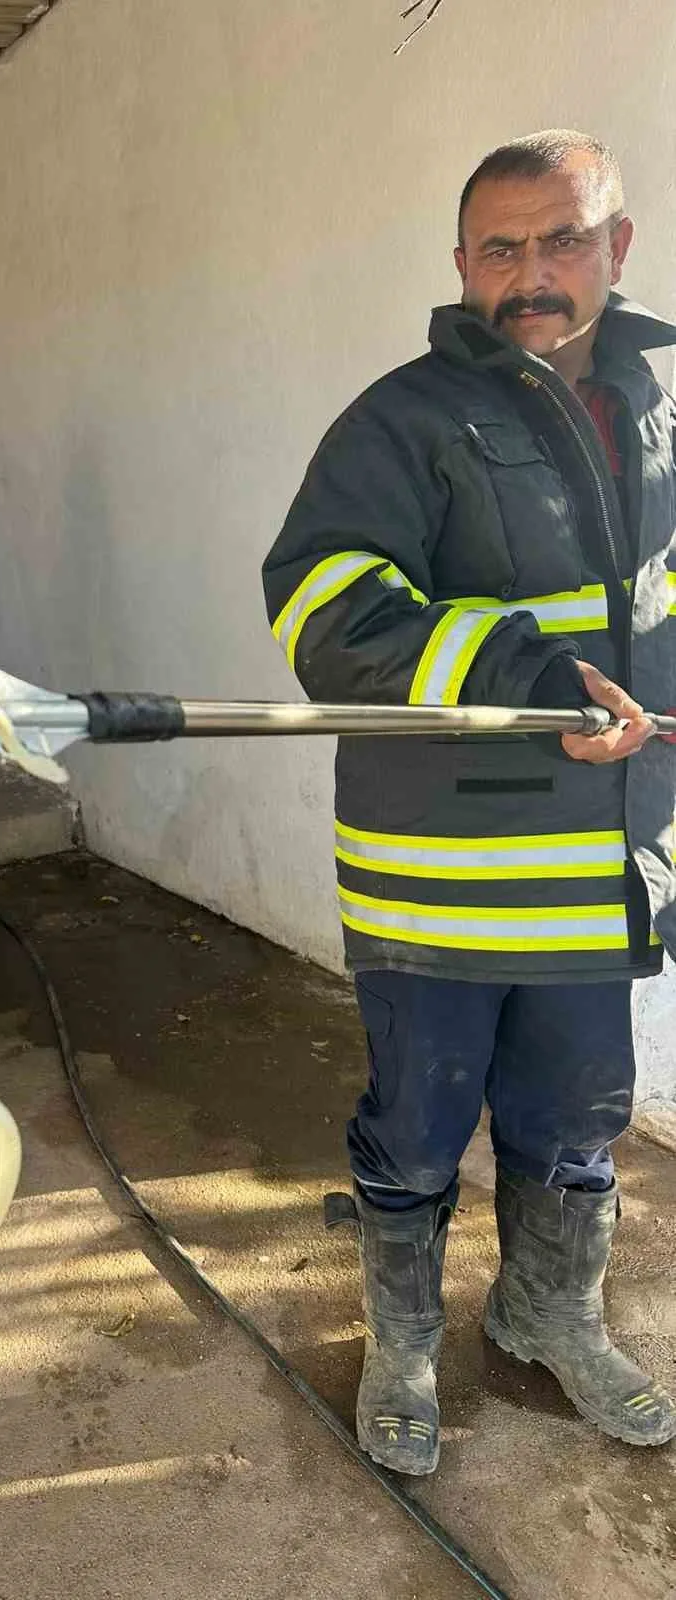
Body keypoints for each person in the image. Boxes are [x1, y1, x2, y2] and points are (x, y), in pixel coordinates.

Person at [262, 130, 676, 1473]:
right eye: (499, 247)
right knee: (417, 1120)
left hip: (603, 859)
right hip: (437, 874)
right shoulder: (401, 419)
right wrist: (538, 677)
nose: (531, 273)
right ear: (458, 264)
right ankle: (402, 1343)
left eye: (561, 240)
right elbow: (322, 606)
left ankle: (545, 1317)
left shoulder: (665, 419)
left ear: (616, 247)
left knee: (574, 1122)